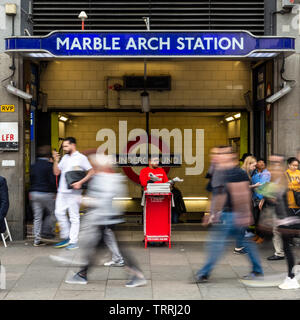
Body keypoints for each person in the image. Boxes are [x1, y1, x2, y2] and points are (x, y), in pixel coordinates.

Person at [65, 154, 147, 287]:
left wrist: (83, 200)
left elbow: (103, 199)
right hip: (106, 218)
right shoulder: (110, 178)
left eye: (97, 165)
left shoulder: (106, 179)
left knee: (114, 248)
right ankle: (82, 274)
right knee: (99, 247)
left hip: (105, 218)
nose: (95, 168)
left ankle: (136, 275)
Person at [196, 146, 263, 283]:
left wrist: (245, 215)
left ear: (230, 155)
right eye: (216, 153)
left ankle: (204, 273)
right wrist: (209, 212)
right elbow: (214, 194)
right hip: (225, 214)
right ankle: (257, 270)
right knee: (243, 242)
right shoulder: (218, 172)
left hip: (233, 214)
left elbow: (242, 195)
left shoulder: (237, 173)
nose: (217, 156)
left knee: (216, 243)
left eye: (221, 153)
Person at [258, 155, 300, 289]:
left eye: (276, 164)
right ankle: (292, 276)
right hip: (286, 219)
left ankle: (292, 278)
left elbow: (277, 198)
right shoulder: (279, 179)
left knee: (287, 247)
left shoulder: (283, 179)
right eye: (272, 164)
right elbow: (268, 194)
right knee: (287, 247)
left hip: (288, 218)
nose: (273, 167)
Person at [52, 137, 94, 250]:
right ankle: (67, 236)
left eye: (66, 146)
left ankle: (73, 241)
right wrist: (56, 160)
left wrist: (80, 182)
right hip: (62, 191)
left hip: (74, 192)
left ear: (73, 145)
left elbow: (91, 171)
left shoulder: (81, 158)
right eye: (64, 146)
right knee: (58, 213)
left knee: (74, 217)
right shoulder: (65, 158)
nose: (64, 148)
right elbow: (56, 172)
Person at [29, 145, 57, 246]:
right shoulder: (49, 166)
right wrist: (55, 192)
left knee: (37, 217)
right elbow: (52, 181)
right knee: (54, 213)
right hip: (46, 193)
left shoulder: (33, 165)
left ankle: (37, 240)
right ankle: (46, 231)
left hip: (34, 193)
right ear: (48, 155)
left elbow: (31, 179)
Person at [233, 156, 258, 254]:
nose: (255, 167)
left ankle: (239, 246)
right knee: (241, 226)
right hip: (242, 202)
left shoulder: (245, 172)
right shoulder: (243, 173)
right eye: (254, 165)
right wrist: (254, 186)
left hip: (242, 201)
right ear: (249, 164)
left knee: (242, 225)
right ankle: (238, 247)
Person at [250, 158, 271, 244]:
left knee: (261, 219)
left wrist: (264, 198)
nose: (261, 163)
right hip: (254, 198)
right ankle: (257, 234)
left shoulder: (267, 173)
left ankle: (262, 236)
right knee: (255, 218)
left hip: (263, 198)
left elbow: (266, 185)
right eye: (259, 162)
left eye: (263, 162)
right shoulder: (253, 173)